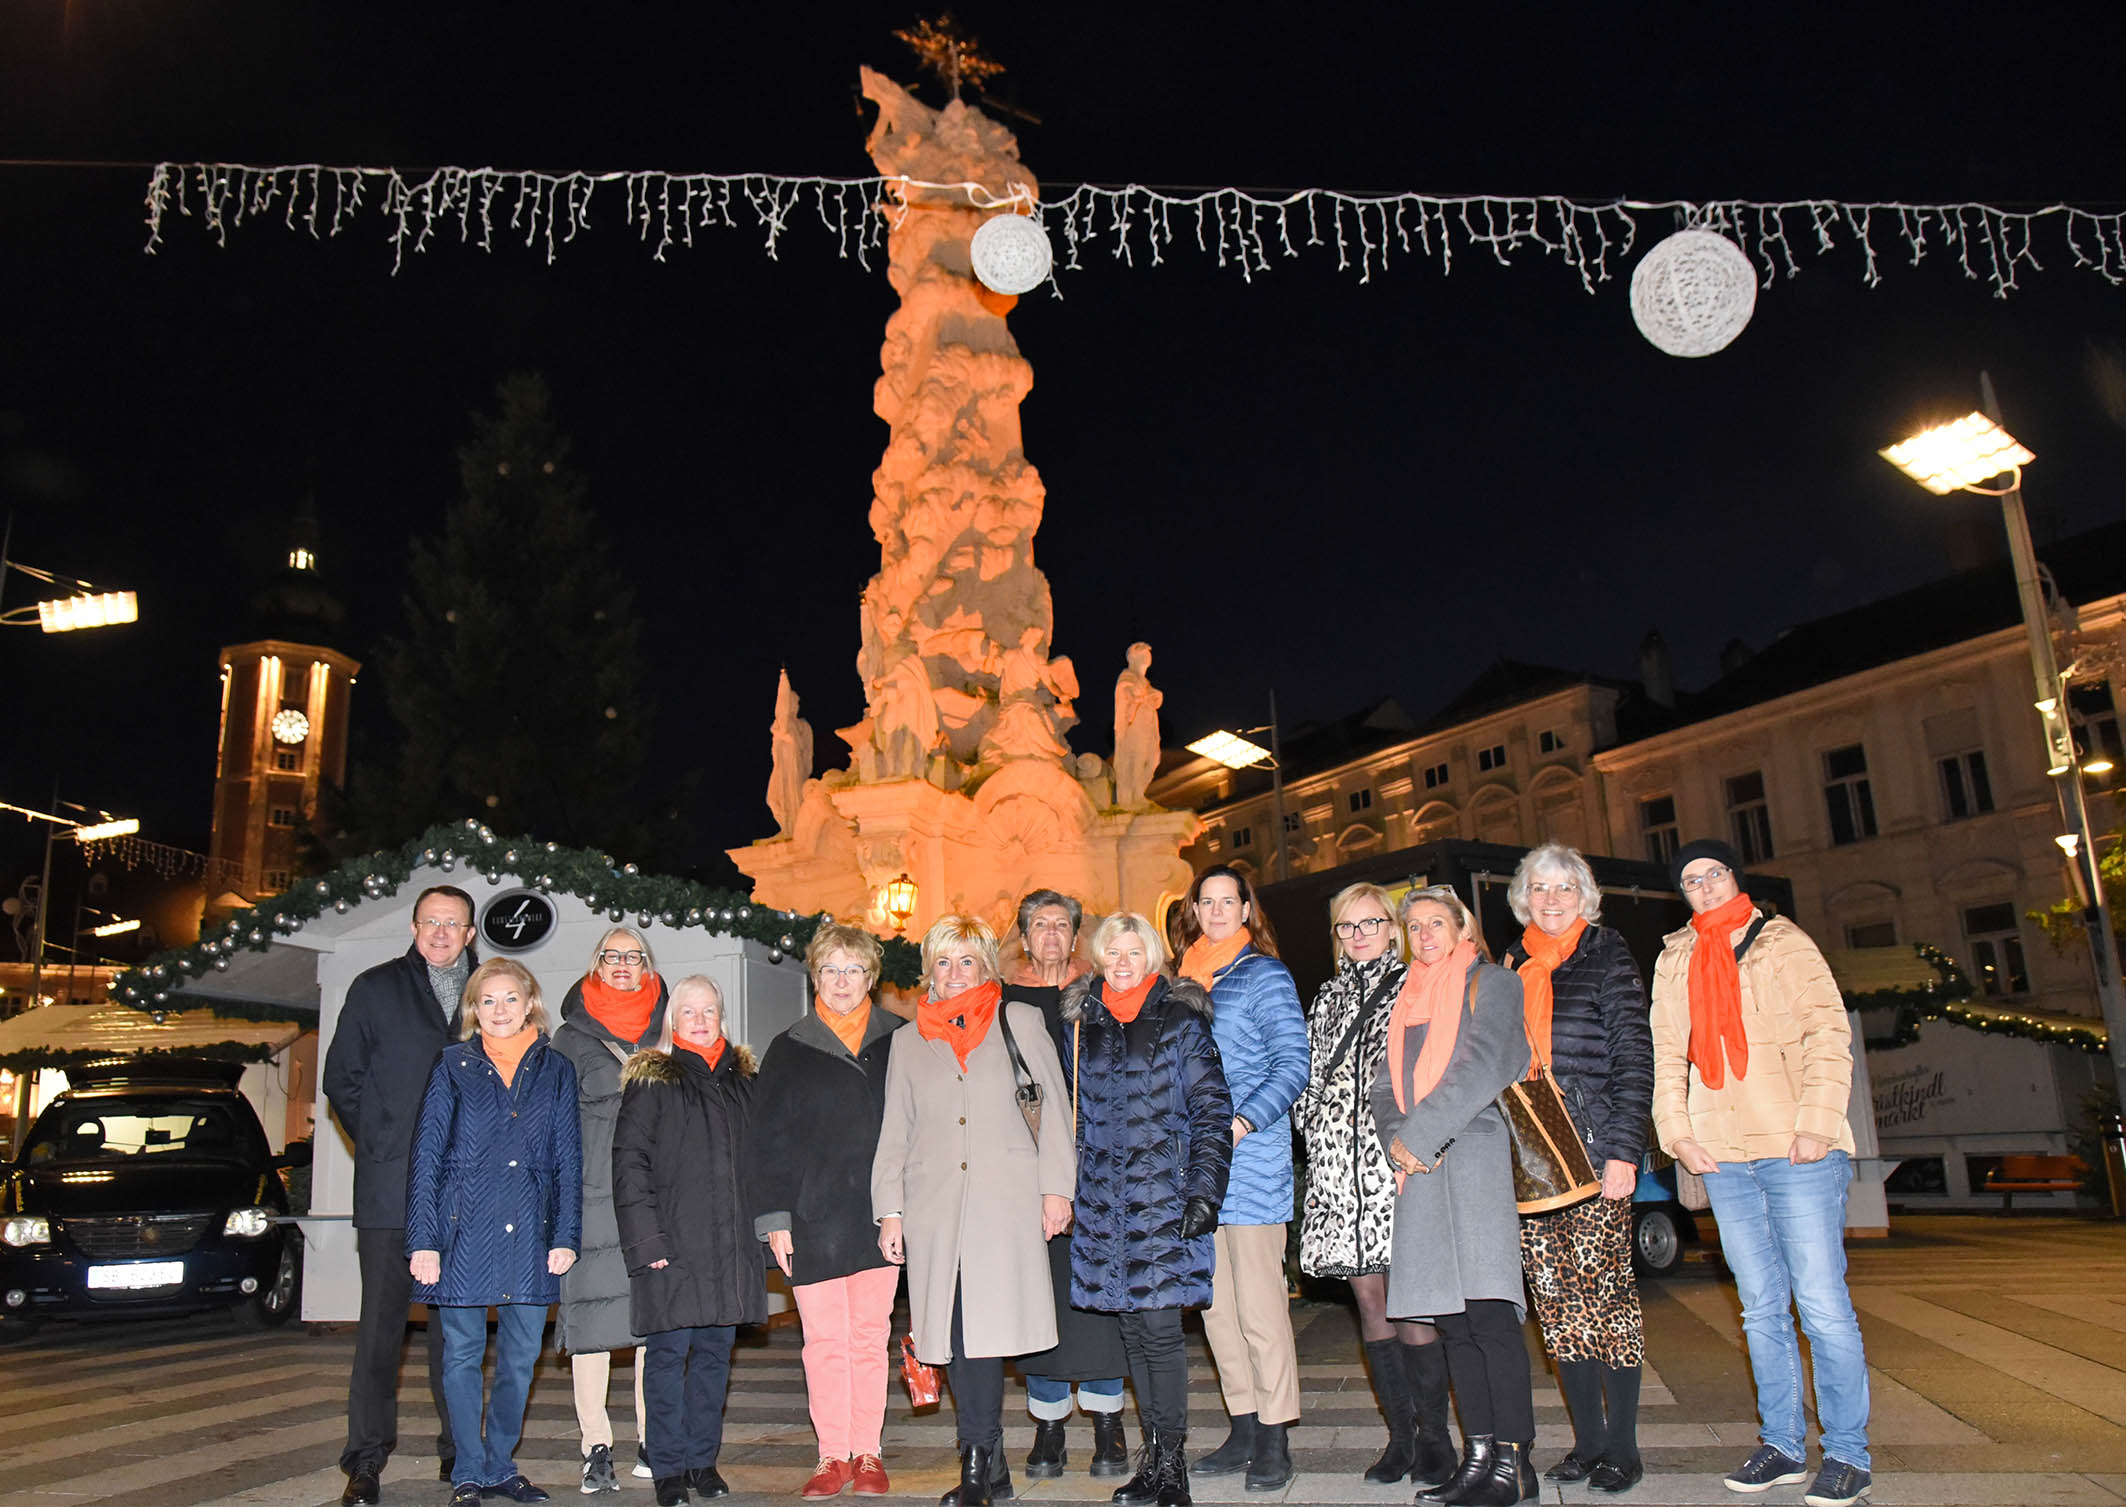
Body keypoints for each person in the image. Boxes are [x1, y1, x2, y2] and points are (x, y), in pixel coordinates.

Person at [1651, 840, 1872, 1507]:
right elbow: (1668, 1051)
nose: (1706, 886)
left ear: (1735, 877)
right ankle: (1780, 1442)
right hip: (1724, 1153)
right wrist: (1678, 1133)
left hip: (1797, 1145)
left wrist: (1816, 1121)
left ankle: (1846, 1452)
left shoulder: (1783, 942)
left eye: (1714, 873)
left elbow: (1827, 1033)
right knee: (1759, 1308)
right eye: (1692, 880)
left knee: (1822, 1304)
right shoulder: (1675, 958)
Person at [872, 915, 1076, 1507]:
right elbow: (896, 1132)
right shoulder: (909, 1041)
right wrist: (890, 1210)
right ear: (928, 972)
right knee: (955, 1337)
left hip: (1004, 1203)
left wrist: (1056, 1189)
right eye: (943, 961)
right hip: (934, 1209)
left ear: (986, 965)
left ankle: (976, 1468)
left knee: (980, 1336)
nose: (955, 973)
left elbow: (1056, 1111)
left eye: (967, 961)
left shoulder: (1020, 1020)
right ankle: (990, 1466)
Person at [1369, 885, 1536, 1507]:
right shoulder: (1405, 997)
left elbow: (1485, 1061)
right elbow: (1385, 1084)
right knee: (1453, 1321)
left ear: (1462, 927)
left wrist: (1420, 1135)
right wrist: (1400, 1141)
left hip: (1474, 1153)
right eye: (1415, 926)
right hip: (1419, 1167)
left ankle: (1515, 1465)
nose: (1426, 935)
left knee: (1490, 1316)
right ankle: (1480, 1456)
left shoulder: (1490, 982)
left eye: (1437, 922)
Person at [1065, 911, 1233, 1507]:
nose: (1123, 962)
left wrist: (1205, 1193)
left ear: (1153, 959)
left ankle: (1174, 1469)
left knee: (1161, 1332)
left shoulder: (1181, 1018)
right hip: (1104, 1203)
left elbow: (1213, 1110)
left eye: (1135, 952)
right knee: (1133, 1333)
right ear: (1101, 957)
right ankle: (1152, 1463)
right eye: (1114, 951)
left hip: (1164, 1197)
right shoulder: (1083, 1023)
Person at [1501, 844, 1653, 1495]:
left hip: (1593, 1156)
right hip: (1535, 1160)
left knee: (1608, 1301)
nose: (1553, 897)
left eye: (1565, 886)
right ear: (1524, 895)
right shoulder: (1512, 960)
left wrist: (1625, 1149)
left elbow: (1633, 1056)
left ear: (1584, 894)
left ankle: (1623, 1447)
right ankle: (1588, 1442)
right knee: (1560, 1306)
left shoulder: (1607, 952)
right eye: (1541, 886)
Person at [1296, 883, 1454, 1490]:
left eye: (1370, 923)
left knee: (1410, 1300)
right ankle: (1401, 1437)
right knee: (1368, 1301)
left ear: (1393, 928)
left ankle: (1436, 1439)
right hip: (1338, 1170)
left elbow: (1430, 1067)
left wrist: (1414, 1144)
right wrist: (1313, 1128)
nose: (1359, 934)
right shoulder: (1328, 997)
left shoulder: (1413, 987)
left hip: (1393, 1164)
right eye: (1347, 926)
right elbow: (1307, 1076)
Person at [407, 959, 582, 1507]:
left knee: (521, 1356)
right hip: (462, 1235)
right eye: (488, 1000)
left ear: (530, 1003)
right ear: (473, 1009)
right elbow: (427, 1158)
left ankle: (502, 1465)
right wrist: (423, 1240)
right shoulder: (451, 1065)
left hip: (532, 1233)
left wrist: (567, 1235)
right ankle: (469, 1470)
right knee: (460, 1354)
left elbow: (568, 1160)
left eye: (511, 998)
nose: (500, 1009)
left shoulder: (556, 1069)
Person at [322, 885, 474, 1506]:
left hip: (466, 1192)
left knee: (457, 1331)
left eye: (453, 924)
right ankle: (365, 1459)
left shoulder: (487, 994)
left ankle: (458, 1450)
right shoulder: (375, 986)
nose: (441, 933)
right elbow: (341, 1079)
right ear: (414, 928)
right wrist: (385, 1143)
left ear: (469, 934)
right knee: (381, 1328)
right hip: (392, 1188)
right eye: (430, 922)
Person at [750, 922, 907, 1499]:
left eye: (855, 970)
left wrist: (904, 1208)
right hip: (810, 1216)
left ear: (872, 977)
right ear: (816, 975)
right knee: (822, 1341)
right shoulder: (790, 1046)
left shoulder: (900, 1039)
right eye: (831, 970)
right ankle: (830, 1455)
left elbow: (916, 1129)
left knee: (870, 1336)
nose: (843, 981)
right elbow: (767, 1140)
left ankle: (867, 1452)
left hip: (878, 1215)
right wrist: (773, 1219)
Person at [1173, 865, 1310, 1489]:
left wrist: (1239, 1123)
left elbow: (1291, 1064)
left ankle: (1276, 1434)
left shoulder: (1263, 974)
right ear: (1194, 911)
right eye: (1208, 902)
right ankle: (1244, 1425)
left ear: (1247, 910)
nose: (1219, 910)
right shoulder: (1183, 981)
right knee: (1215, 1310)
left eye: (1230, 901)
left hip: (1249, 1164)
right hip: (1193, 1172)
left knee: (1259, 1309)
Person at [613, 975, 767, 1507]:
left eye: (709, 1009)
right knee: (666, 1358)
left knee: (713, 1360)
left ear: (722, 1016)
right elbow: (629, 1165)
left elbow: (762, 1162)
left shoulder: (744, 1079)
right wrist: (646, 1239)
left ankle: (703, 1462)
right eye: (688, 1011)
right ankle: (668, 1468)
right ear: (671, 1020)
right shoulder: (653, 1079)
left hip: (728, 1248)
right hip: (671, 1247)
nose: (700, 1019)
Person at [1003, 890, 1131, 1482]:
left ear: (1075, 936)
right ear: (1024, 936)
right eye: (1039, 925)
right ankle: (1049, 1424)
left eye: (1061, 925)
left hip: (1100, 1165)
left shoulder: (1100, 995)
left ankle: (1108, 1421)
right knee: (1043, 1292)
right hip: (1027, 1169)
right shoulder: (1002, 1001)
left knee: (1100, 1291)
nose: (1051, 934)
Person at [551, 928, 668, 1492]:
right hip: (591, 1194)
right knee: (592, 1321)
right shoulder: (569, 1038)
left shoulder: (670, 1027)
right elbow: (550, 1124)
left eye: (633, 956)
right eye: (611, 956)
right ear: (595, 964)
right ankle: (595, 1446)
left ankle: (653, 1438)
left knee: (653, 1319)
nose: (623, 964)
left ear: (648, 965)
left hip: (654, 1191)